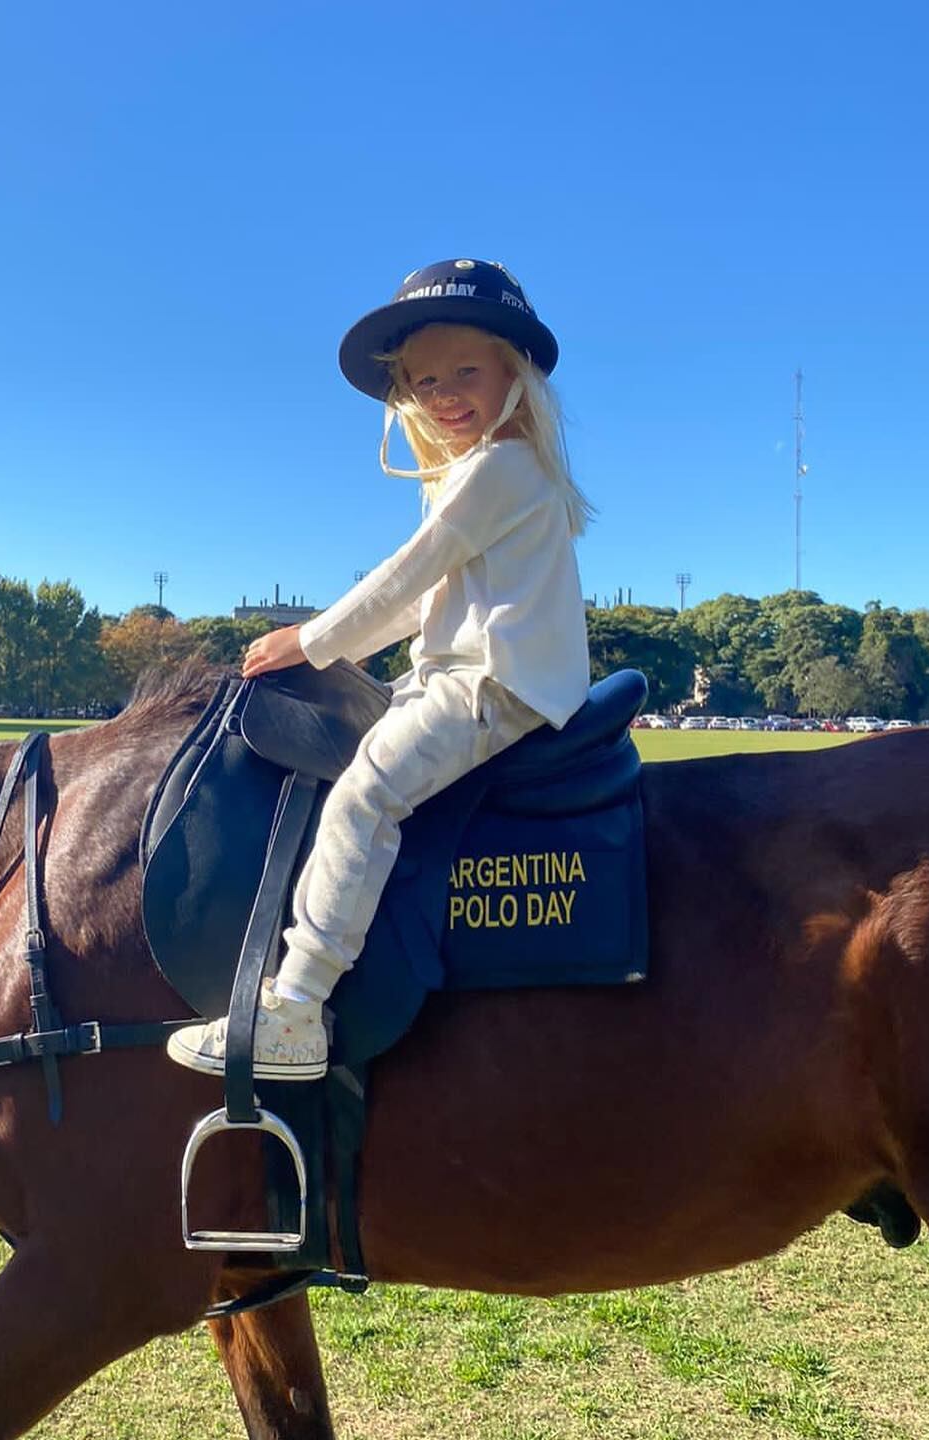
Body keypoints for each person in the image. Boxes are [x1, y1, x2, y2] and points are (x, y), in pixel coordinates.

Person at [167, 258, 594, 1080]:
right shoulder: (473, 474)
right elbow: (416, 602)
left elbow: (406, 573)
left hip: (493, 685)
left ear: (516, 371)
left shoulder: (503, 467)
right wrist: (338, 651)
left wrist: (311, 642)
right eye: (424, 380)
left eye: (465, 370)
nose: (444, 393)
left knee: (367, 793)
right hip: (457, 675)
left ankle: (294, 1009)